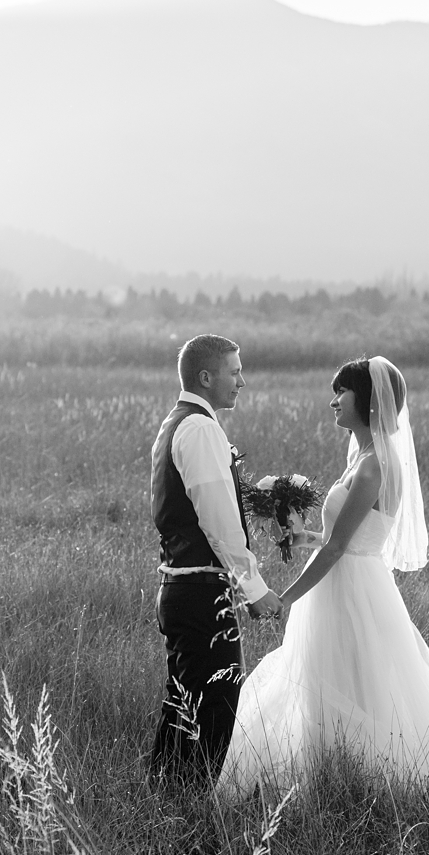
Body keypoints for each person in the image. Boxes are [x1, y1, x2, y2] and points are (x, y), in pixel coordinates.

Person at [217, 355, 429, 797]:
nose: (333, 402)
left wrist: (283, 598)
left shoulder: (375, 464)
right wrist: (302, 536)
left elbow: (343, 547)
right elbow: (342, 537)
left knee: (353, 679)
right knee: (335, 676)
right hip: (347, 578)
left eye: (340, 392)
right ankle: (333, 774)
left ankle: (367, 778)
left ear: (366, 399)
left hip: (352, 585)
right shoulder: (364, 456)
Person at [148, 334, 282, 782]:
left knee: (185, 706)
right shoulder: (201, 429)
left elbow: (207, 503)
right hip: (201, 591)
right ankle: (186, 812)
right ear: (206, 377)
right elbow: (219, 524)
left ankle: (165, 803)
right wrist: (256, 590)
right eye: (235, 370)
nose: (242, 381)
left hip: (182, 587)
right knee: (213, 715)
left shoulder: (176, 422)